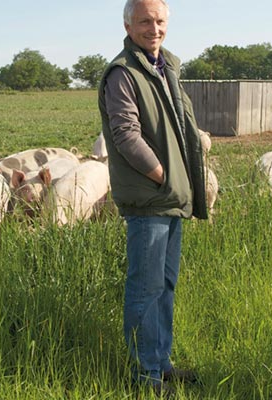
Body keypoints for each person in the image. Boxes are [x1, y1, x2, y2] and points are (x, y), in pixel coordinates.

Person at [97, 0, 208, 396]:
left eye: (159, 20)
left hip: (173, 196)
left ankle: (161, 363)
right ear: (128, 25)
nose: (154, 28)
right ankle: (145, 375)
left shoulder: (165, 67)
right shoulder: (124, 73)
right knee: (145, 287)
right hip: (151, 197)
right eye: (145, 21)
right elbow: (126, 133)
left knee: (165, 284)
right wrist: (162, 176)